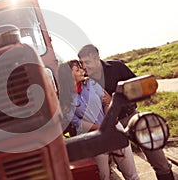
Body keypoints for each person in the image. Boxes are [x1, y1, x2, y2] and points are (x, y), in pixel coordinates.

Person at [78, 44, 174, 180]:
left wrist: (114, 99)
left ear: (97, 58)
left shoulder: (117, 67)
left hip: (130, 116)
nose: (84, 67)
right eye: (81, 63)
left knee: (156, 153)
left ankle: (165, 173)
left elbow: (139, 88)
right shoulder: (84, 80)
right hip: (107, 125)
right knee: (121, 165)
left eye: (87, 62)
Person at [58, 60, 139, 180]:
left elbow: (106, 101)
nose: (82, 71)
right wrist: (101, 129)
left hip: (114, 128)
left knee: (131, 174)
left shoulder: (92, 84)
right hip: (92, 138)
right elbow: (77, 122)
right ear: (68, 76)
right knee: (103, 176)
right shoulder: (65, 100)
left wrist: (108, 123)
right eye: (77, 70)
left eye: (80, 68)